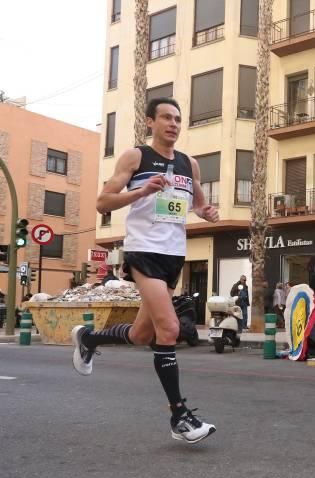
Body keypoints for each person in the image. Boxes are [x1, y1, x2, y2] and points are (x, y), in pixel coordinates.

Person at [70, 96, 219, 444]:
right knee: (168, 330)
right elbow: (103, 202)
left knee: (141, 335)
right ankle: (179, 417)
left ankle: (88, 338)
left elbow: (197, 201)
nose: (173, 124)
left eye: (178, 119)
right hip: (143, 251)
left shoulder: (188, 164)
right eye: (166, 118)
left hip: (173, 255)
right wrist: (140, 191)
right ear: (150, 122)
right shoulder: (136, 157)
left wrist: (206, 211)